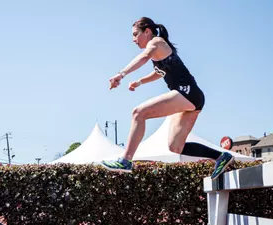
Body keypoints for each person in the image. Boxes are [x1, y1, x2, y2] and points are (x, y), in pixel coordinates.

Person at [100, 17, 234, 180]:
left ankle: (126, 160)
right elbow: (159, 72)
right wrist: (140, 82)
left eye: (136, 34)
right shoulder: (160, 49)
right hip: (192, 97)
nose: (133, 39)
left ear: (147, 31)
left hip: (187, 92)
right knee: (175, 146)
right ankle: (221, 156)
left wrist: (121, 74)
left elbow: (143, 57)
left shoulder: (156, 42)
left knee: (138, 113)